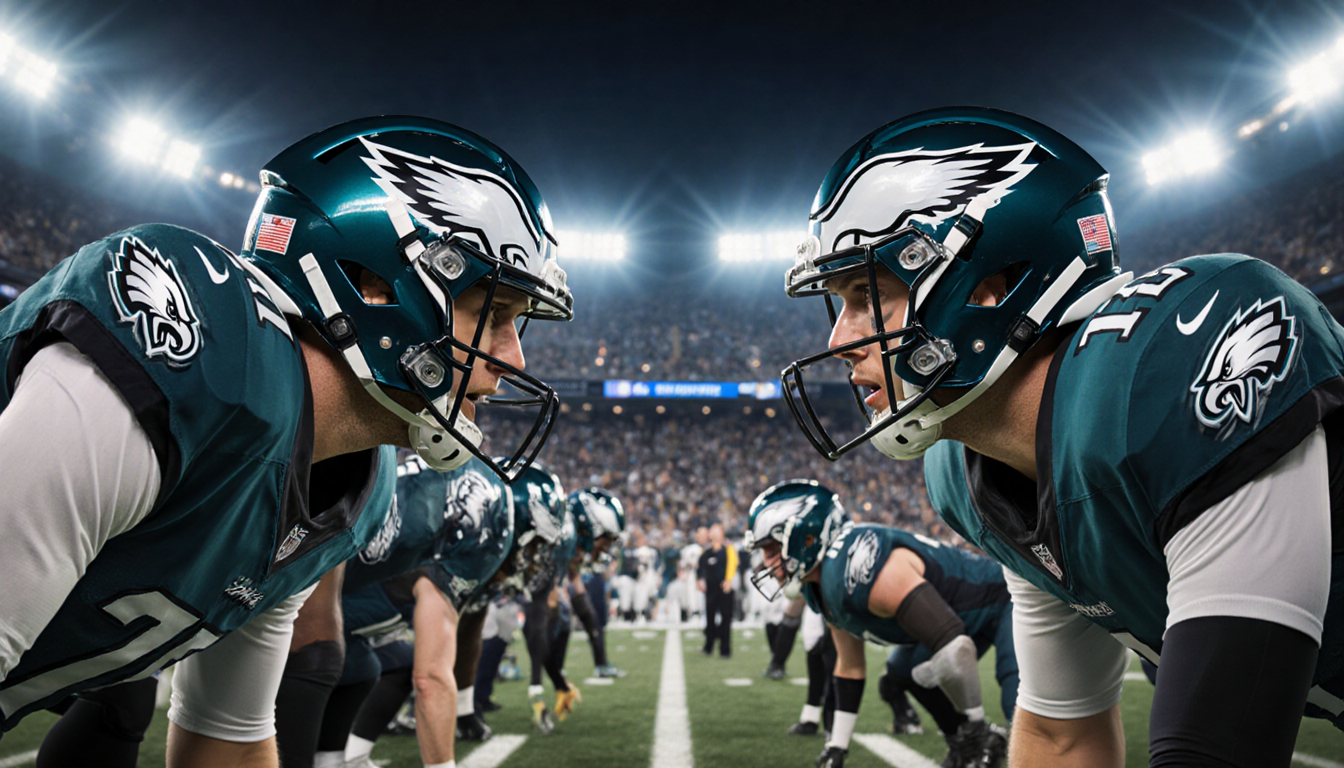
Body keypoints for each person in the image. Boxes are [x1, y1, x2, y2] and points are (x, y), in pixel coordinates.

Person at [780, 106, 1344, 767]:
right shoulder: (971, 472)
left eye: (867, 295)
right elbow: (1062, 737)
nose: (838, 340)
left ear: (988, 288)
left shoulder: (1172, 363)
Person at [0, 115, 571, 766]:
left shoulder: (350, 479)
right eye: (493, 315)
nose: (515, 358)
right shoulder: (197, 357)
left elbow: (229, 737)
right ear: (374, 284)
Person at [746, 480, 1014, 768]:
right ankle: (962, 743)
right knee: (902, 670)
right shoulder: (821, 585)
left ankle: (978, 738)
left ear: (806, 537)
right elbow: (849, 667)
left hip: (1004, 597)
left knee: (1024, 706)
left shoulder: (857, 562)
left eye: (772, 548)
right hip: (960, 618)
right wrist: (837, 745)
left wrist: (976, 726)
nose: (766, 562)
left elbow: (954, 646)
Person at [697, 523, 738, 657]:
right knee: (710, 617)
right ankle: (709, 646)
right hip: (711, 588)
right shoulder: (706, 551)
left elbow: (733, 564)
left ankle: (725, 649)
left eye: (716, 530)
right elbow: (700, 568)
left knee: (726, 618)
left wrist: (728, 580)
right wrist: (700, 580)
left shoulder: (728, 548)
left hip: (724, 587)